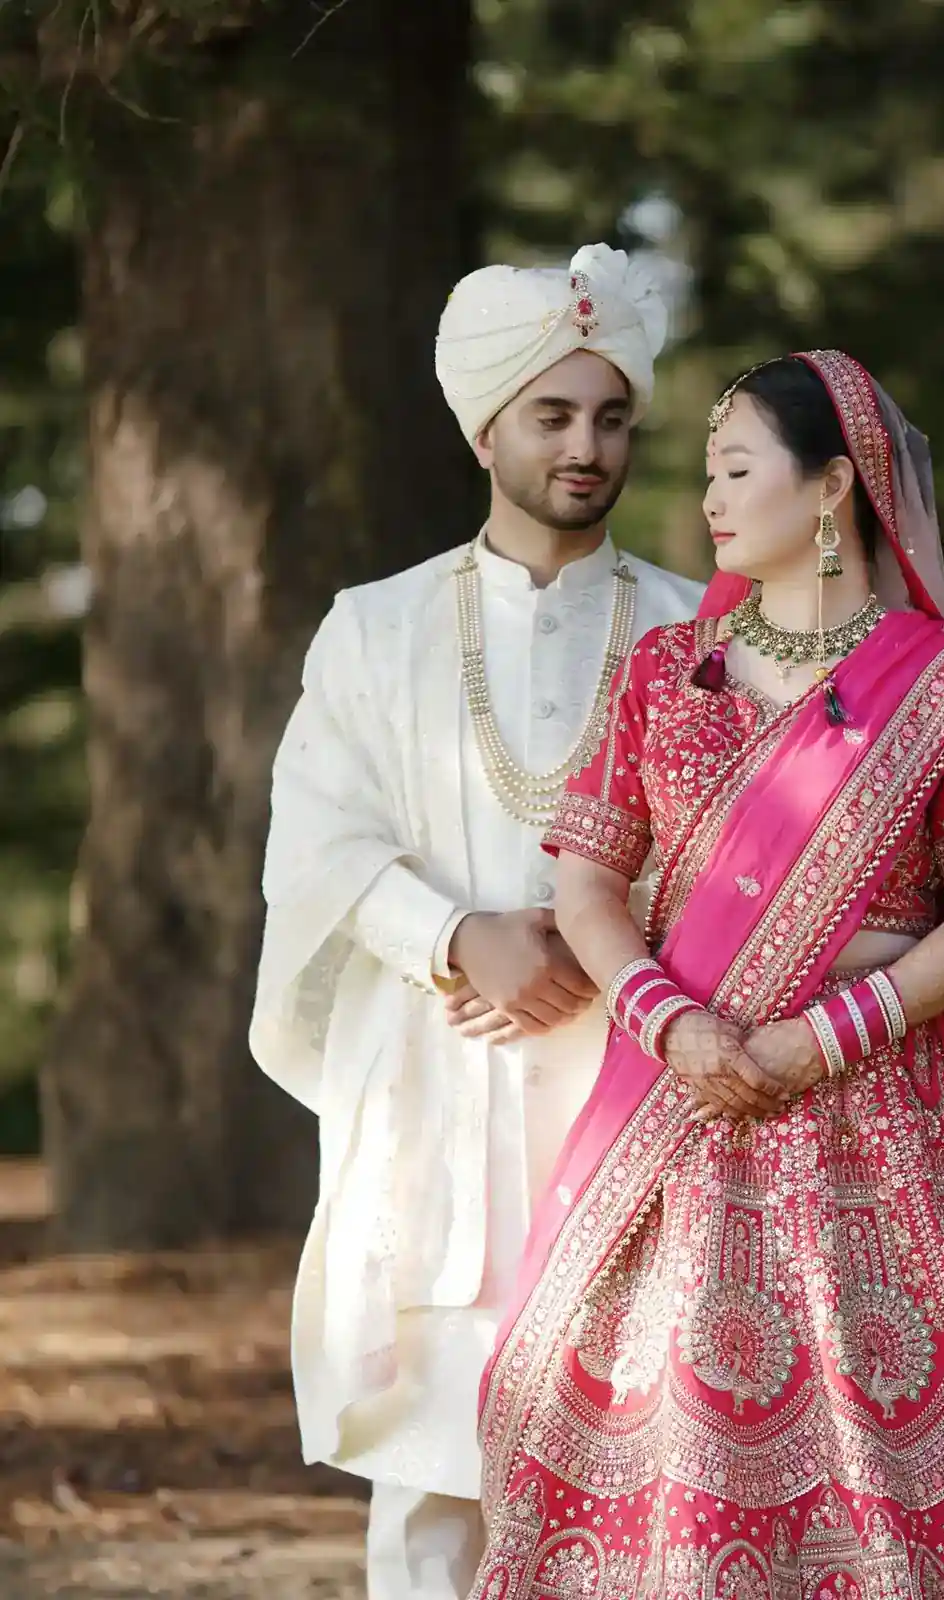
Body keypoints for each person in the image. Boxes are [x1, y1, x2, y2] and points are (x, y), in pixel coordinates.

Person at [466, 350, 944, 1598]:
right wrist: (674, 1025)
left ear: (831, 487)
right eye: (708, 473)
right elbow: (589, 888)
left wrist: (819, 1037)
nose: (707, 498)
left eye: (735, 469)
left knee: (892, 1460)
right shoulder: (661, 674)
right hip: (681, 1121)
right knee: (669, 1453)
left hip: (881, 1127)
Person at [248, 243, 704, 1600]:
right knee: (436, 1476)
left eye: (611, 417)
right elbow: (315, 841)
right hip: (440, 1084)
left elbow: (752, 860)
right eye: (553, 415)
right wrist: (459, 938)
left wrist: (598, 940)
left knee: (646, 1475)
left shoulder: (699, 633)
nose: (586, 447)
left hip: (635, 1090)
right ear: (483, 430)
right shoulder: (374, 629)